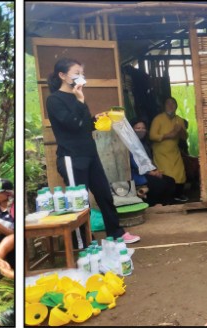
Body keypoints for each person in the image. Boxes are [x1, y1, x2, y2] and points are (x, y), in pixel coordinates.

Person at [45, 58, 140, 243]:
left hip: (90, 154)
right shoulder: (54, 100)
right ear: (62, 75)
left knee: (104, 195)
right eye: (76, 73)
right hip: (72, 158)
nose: (81, 77)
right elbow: (72, 124)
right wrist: (80, 102)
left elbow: (84, 125)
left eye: (82, 73)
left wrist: (98, 120)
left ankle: (116, 233)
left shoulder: (77, 97)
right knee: (79, 202)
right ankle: (83, 242)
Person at [150, 97, 188, 202]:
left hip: (174, 152)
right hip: (161, 153)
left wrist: (180, 131)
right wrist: (170, 135)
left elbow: (184, 137)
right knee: (166, 174)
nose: (170, 106)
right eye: (168, 104)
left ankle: (178, 195)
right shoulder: (158, 119)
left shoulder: (179, 120)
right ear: (164, 106)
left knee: (180, 173)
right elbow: (152, 136)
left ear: (176, 106)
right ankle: (167, 197)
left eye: (173, 104)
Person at [131, 120, 176, 206]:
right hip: (138, 174)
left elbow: (149, 161)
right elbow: (136, 164)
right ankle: (152, 205)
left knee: (170, 181)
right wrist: (151, 173)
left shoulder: (145, 144)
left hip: (148, 172)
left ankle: (166, 205)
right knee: (159, 184)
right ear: (132, 129)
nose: (141, 130)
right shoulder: (131, 144)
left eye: (143, 128)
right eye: (138, 128)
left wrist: (156, 171)